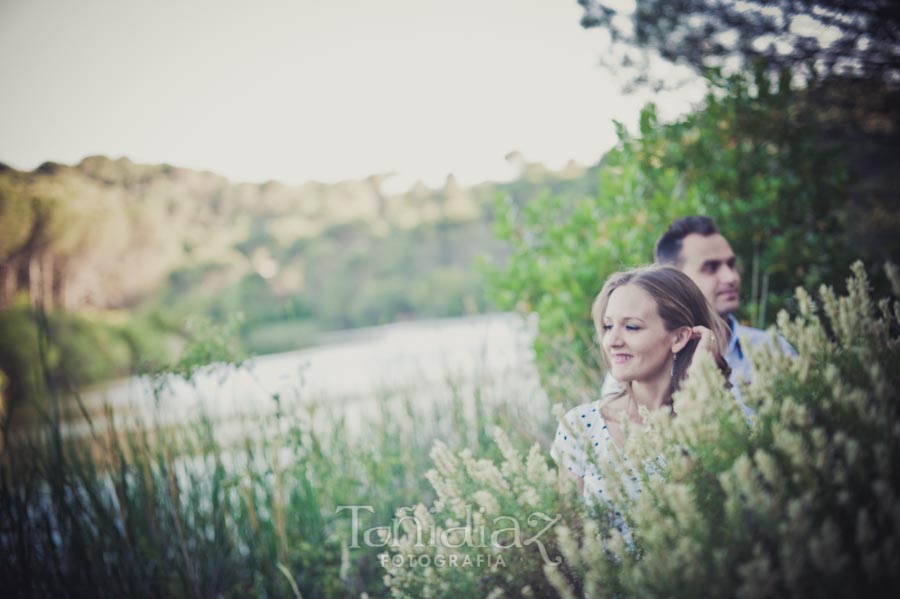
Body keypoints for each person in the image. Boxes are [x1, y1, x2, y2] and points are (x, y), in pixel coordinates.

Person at [551, 265, 731, 499]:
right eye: (608, 326)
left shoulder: (720, 423)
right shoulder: (580, 426)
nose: (612, 340)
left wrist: (700, 385)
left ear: (678, 338)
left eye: (632, 327)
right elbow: (565, 528)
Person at [600, 216, 795, 412]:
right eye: (710, 268)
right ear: (674, 279)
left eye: (731, 264)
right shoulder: (631, 370)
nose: (730, 277)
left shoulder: (775, 350)